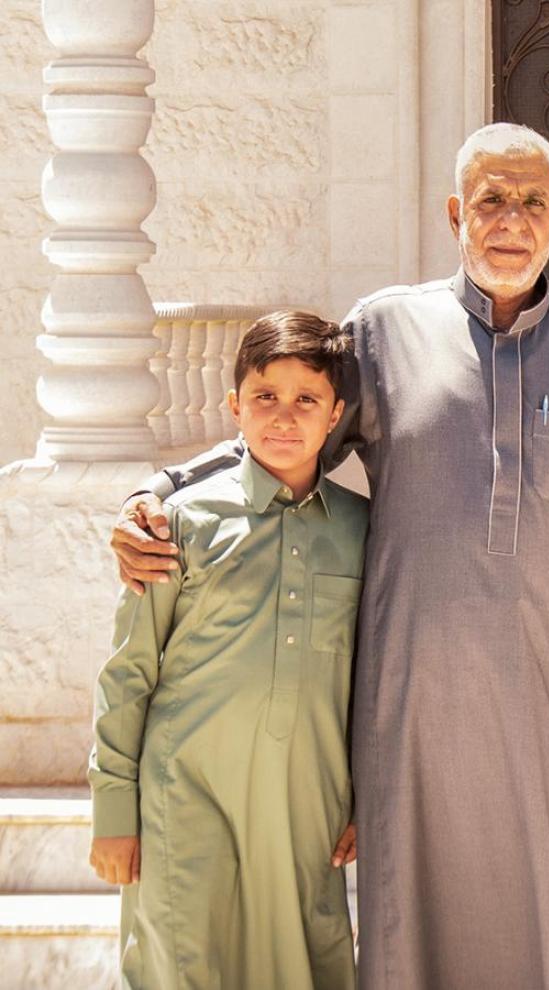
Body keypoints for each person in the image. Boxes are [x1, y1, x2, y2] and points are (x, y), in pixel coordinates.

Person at [107, 123, 549, 988]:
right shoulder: (386, 328)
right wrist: (165, 488)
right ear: (453, 214)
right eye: (491, 201)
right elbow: (289, 436)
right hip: (410, 687)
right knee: (410, 903)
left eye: (532, 203)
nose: (511, 220)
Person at [88, 312, 365, 989]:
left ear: (336, 417)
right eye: (265, 396)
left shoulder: (364, 532)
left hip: (305, 808)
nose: (284, 416)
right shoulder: (178, 523)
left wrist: (366, 797)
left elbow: (377, 680)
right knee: (183, 962)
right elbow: (128, 673)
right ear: (234, 406)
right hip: (184, 799)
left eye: (307, 400)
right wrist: (113, 810)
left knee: (306, 967)